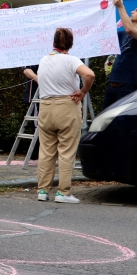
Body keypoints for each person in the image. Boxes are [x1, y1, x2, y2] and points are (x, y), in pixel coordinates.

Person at [36, 28, 95, 203]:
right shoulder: (71, 60)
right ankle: (63, 192)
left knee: (46, 151)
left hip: (45, 107)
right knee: (66, 151)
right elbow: (89, 74)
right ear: (70, 44)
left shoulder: (44, 60)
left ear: (53, 43)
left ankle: (42, 190)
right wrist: (83, 91)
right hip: (67, 106)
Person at [103, 0, 137, 108]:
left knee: (120, 120)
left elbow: (130, 29)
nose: (132, 11)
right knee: (105, 119)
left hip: (127, 85)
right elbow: (105, 35)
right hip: (112, 84)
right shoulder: (123, 34)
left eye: (136, 11)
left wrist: (120, 6)